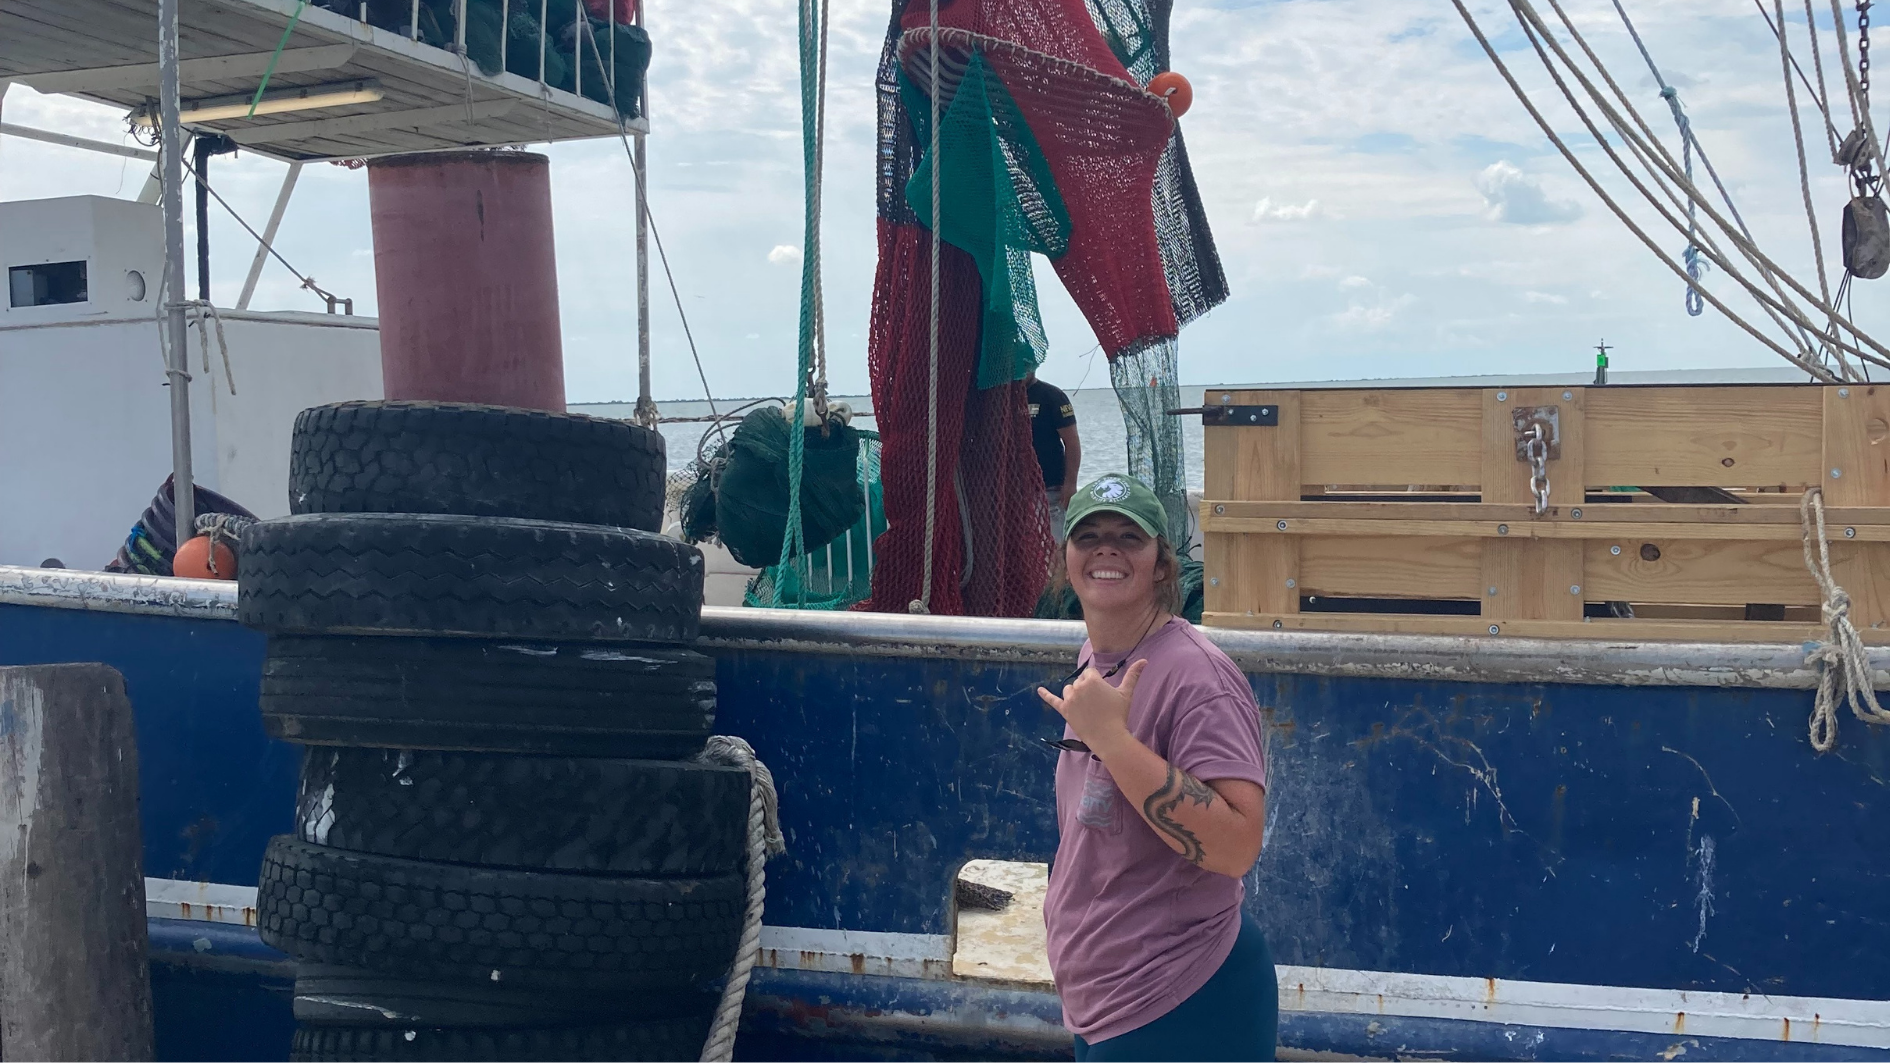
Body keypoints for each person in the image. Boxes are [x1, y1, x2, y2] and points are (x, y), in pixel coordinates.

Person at [1037, 474, 1275, 1062]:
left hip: (1182, 998)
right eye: (1087, 535)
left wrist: (1113, 743)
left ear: (1162, 565)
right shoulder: (1097, 660)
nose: (1106, 549)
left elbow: (1238, 845)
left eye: (1128, 537)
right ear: (1067, 559)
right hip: (1104, 1001)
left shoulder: (1198, 679)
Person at [1027, 372, 1082, 541]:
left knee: (1056, 544)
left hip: (1050, 487)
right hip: (1016, 488)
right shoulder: (1004, 396)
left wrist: (1070, 484)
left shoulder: (1052, 396)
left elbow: (1072, 442)